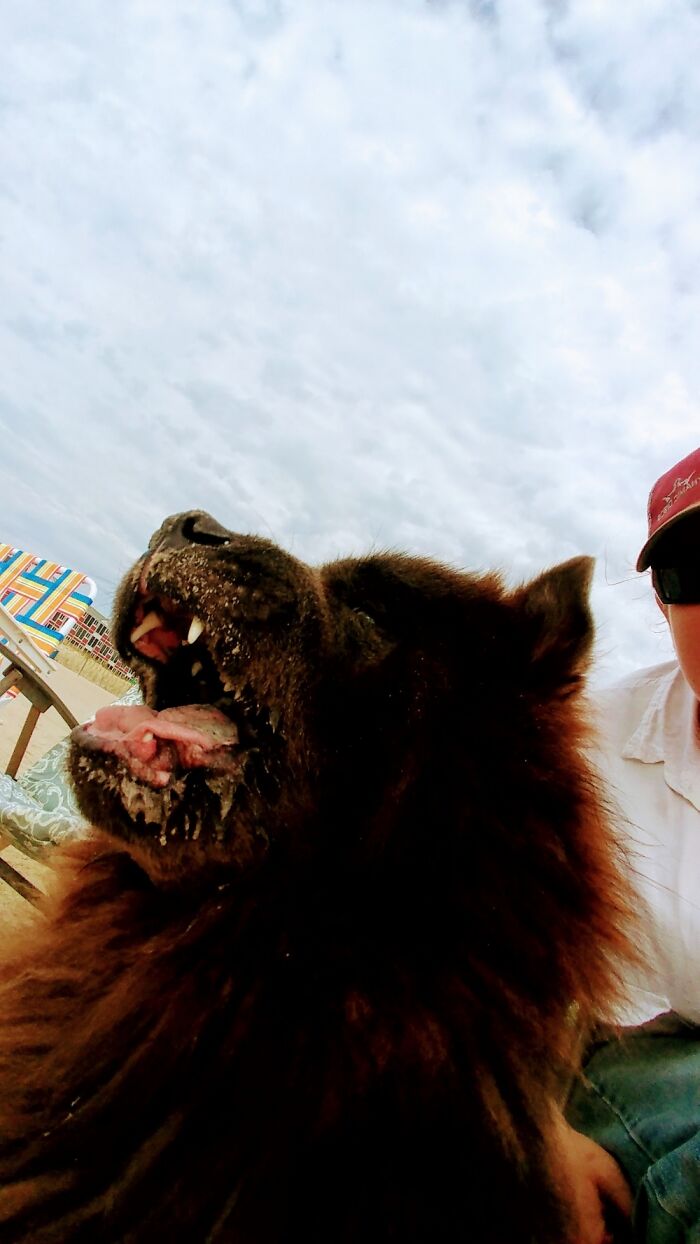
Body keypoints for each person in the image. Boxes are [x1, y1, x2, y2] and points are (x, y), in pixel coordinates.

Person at [566, 446, 700, 1242]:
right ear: (661, 600)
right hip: (604, 1064)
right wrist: (529, 1120)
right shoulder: (585, 744)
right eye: (695, 570)